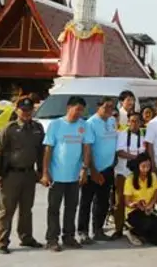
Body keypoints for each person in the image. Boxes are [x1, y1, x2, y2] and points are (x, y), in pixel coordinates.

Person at [0, 97, 45, 254]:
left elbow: (40, 151)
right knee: (7, 210)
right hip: (11, 175)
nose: (27, 113)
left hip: (29, 174)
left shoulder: (37, 128)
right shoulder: (9, 128)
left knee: (27, 209)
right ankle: (1, 241)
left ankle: (26, 237)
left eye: (30, 110)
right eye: (24, 110)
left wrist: (42, 172)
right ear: (17, 111)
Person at [41, 96, 93, 252]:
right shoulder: (56, 125)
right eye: (77, 109)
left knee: (71, 208)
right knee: (54, 208)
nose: (79, 113)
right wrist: (45, 172)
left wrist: (84, 169)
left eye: (82, 110)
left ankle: (69, 237)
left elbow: (86, 148)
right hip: (56, 176)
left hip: (74, 176)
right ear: (68, 108)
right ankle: (52, 239)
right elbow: (48, 150)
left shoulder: (84, 126)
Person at [77, 97, 117, 244]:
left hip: (108, 169)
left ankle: (98, 230)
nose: (109, 109)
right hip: (93, 170)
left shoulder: (112, 121)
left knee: (103, 202)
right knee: (86, 202)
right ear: (98, 107)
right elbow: (88, 149)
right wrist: (93, 171)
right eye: (106, 106)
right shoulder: (91, 123)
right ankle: (83, 232)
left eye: (112, 107)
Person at [113, 111, 145, 239]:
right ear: (128, 122)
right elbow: (120, 152)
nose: (134, 124)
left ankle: (137, 228)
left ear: (141, 123)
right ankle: (118, 229)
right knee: (119, 201)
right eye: (132, 121)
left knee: (139, 201)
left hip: (138, 174)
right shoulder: (122, 135)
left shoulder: (143, 137)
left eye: (137, 121)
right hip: (122, 172)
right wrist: (135, 157)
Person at [123, 153, 157, 246]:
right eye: (143, 166)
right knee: (147, 223)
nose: (146, 169)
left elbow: (155, 195)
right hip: (133, 211)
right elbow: (127, 202)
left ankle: (145, 235)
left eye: (148, 166)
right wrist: (136, 204)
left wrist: (150, 206)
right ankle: (131, 232)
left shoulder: (153, 176)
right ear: (138, 166)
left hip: (148, 210)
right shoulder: (130, 179)